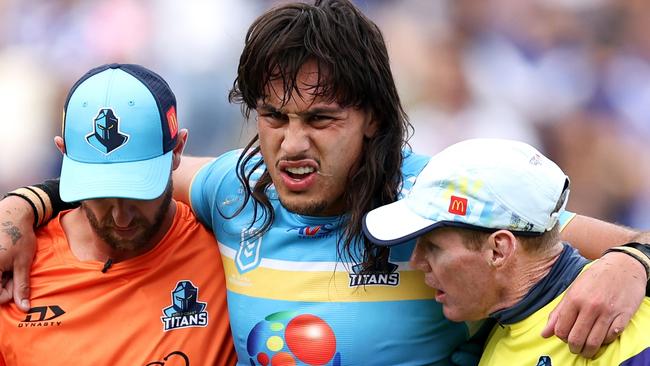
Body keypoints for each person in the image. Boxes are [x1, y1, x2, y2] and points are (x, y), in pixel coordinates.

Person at [1, 1, 649, 365]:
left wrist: (631, 260)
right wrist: (25, 205)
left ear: (370, 120)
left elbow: (589, 244)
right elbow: (133, 180)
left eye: (320, 119)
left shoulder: (442, 201)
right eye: (274, 117)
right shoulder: (236, 185)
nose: (291, 142)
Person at [0, 63, 236, 365]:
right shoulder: (17, 268)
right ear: (63, 154)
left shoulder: (227, 242)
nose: (121, 218)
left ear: (177, 150)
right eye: (99, 193)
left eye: (139, 191)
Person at [362, 138, 650, 365]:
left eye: (433, 247)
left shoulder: (623, 330)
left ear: (499, 250)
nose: (416, 261)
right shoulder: (499, 331)